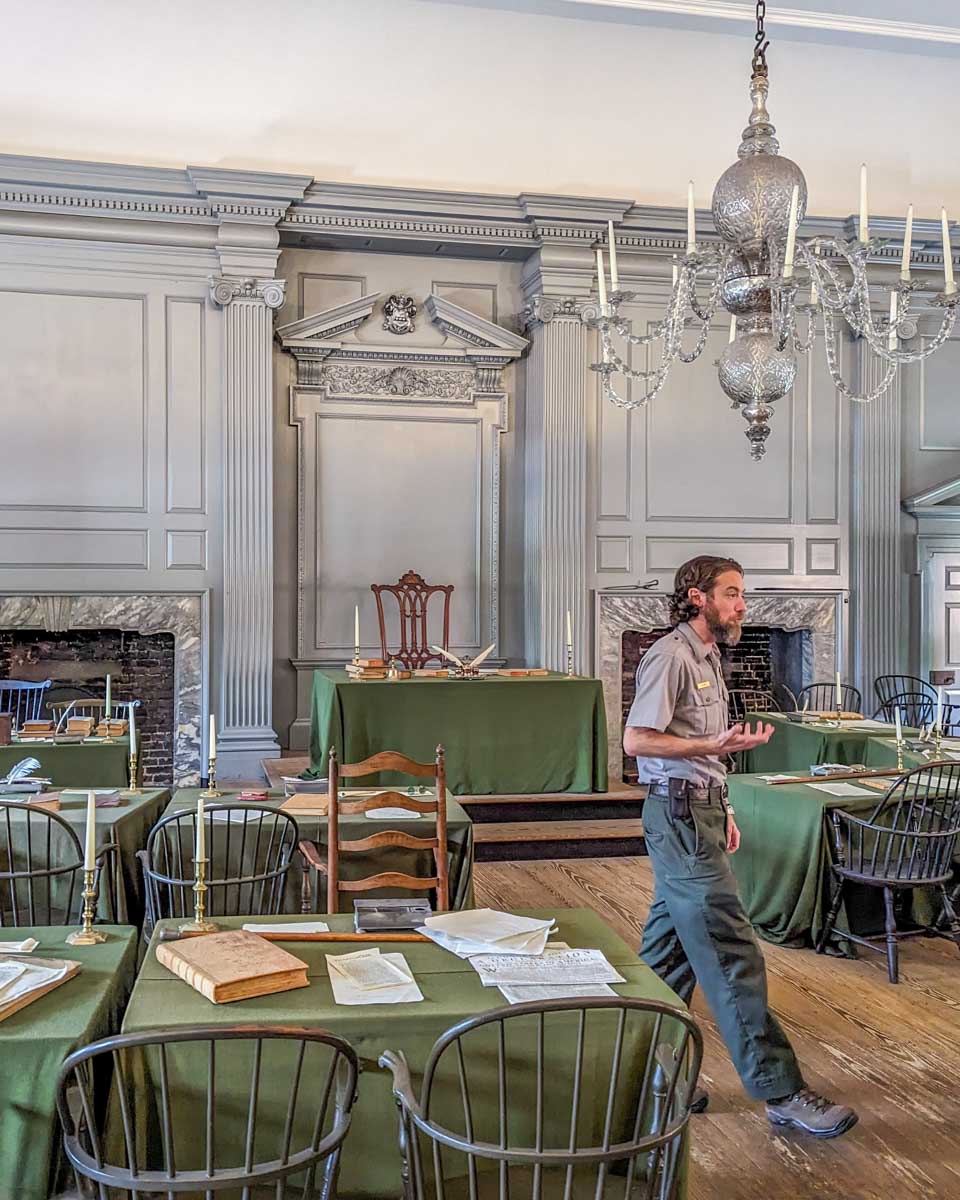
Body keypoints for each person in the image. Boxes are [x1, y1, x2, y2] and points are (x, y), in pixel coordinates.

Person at [623, 555, 857, 1139]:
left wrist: (722, 805)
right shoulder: (670, 655)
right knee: (732, 955)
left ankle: (648, 1076)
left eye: (741, 594)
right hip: (677, 816)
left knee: (667, 956)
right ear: (697, 598)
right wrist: (713, 744)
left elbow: (703, 751)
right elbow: (636, 740)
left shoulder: (708, 657)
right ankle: (781, 1091)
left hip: (694, 812)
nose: (742, 604)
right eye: (731, 593)